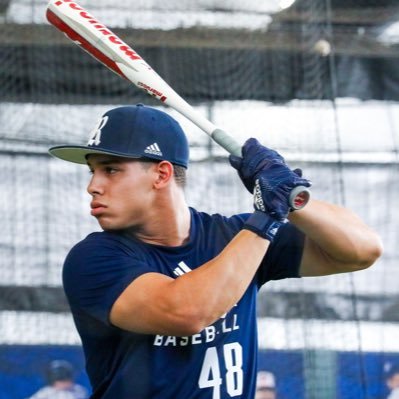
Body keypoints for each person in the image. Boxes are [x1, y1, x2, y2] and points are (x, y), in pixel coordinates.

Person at [48, 104, 382, 398]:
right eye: (93, 171)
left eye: (111, 169)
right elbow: (186, 312)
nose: (93, 185)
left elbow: (362, 250)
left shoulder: (235, 237)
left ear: (161, 174)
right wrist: (267, 216)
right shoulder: (94, 258)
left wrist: (293, 200)